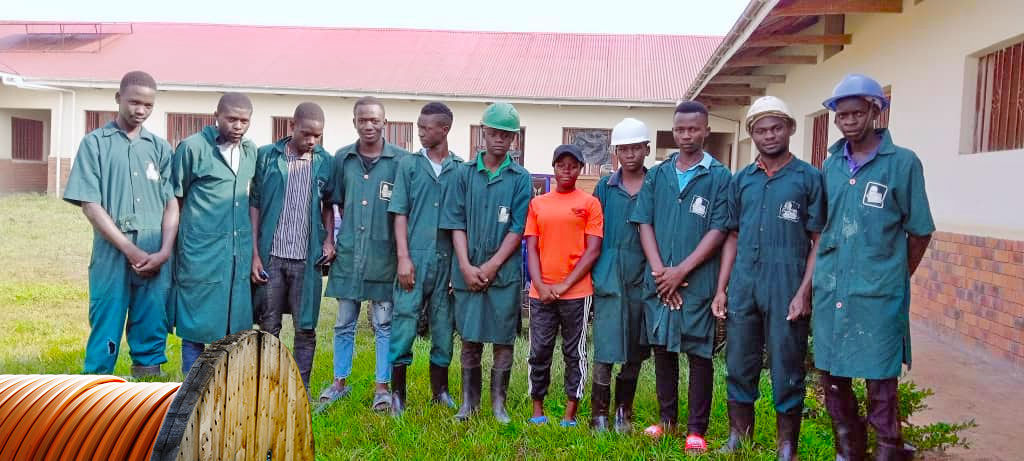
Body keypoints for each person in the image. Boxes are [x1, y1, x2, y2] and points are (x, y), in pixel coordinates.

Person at [813, 74, 934, 461]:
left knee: (881, 379)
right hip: (832, 288)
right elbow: (821, 227)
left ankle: (889, 448)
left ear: (874, 111)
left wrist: (896, 274)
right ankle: (849, 450)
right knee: (833, 376)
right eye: (841, 114)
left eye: (856, 112)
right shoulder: (830, 166)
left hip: (878, 293)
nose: (848, 120)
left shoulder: (902, 163)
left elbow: (919, 231)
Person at [712, 96, 826, 459]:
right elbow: (731, 235)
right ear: (752, 135)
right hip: (745, 281)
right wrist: (722, 288)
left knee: (787, 362)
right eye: (761, 130)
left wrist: (804, 291)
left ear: (791, 129)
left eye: (776, 127)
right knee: (739, 360)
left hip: (787, 282)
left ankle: (786, 444)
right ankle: (738, 436)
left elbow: (819, 240)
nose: (769, 136)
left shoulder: (809, 178)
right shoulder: (742, 180)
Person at [630, 101, 730, 453]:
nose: (686, 135)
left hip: (696, 283)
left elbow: (719, 229)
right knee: (663, 350)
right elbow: (644, 222)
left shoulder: (719, 176)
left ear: (706, 131)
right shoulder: (658, 175)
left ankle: (696, 428)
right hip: (659, 281)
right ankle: (667, 420)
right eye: (680, 129)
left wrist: (681, 271)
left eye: (693, 129)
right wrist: (661, 273)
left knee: (699, 353)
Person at [63, 70, 177, 377]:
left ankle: (149, 398)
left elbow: (171, 203)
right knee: (107, 320)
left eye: (148, 105)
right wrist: (129, 249)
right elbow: (90, 204)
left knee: (152, 321)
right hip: (113, 250)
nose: (140, 110)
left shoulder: (160, 148)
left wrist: (165, 251)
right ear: (118, 99)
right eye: (134, 102)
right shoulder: (95, 144)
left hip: (154, 250)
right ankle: (97, 399)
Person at [440, 102, 531, 423]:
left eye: (506, 135)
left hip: (502, 275)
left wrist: (492, 266)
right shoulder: (463, 174)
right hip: (467, 271)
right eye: (493, 133)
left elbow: (518, 228)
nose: (499, 140)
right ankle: (469, 404)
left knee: (504, 340)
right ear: (483, 133)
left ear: (514, 140)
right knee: (470, 338)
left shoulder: (520, 178)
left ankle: (498, 405)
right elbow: (455, 223)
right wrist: (465, 265)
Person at [319, 96, 410, 411]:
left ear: (385, 122)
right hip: (349, 255)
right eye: (362, 120)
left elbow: (404, 211)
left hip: (383, 257)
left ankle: (382, 388)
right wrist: (330, 242)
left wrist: (401, 255)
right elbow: (333, 203)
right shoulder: (342, 158)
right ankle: (338, 382)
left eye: (374, 120)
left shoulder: (400, 161)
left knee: (384, 324)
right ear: (354, 121)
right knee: (344, 321)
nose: (368, 125)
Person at [250, 102, 335, 391]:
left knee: (306, 326)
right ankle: (267, 384)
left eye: (317, 136)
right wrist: (255, 254)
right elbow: (255, 206)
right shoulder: (267, 157)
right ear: (291, 127)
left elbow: (328, 205)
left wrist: (328, 239)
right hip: (272, 256)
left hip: (306, 258)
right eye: (306, 133)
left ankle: (301, 387)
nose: (311, 140)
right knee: (269, 325)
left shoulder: (325, 161)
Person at [171, 92, 257, 375]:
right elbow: (176, 199)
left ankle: (225, 386)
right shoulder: (192, 148)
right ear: (216, 116)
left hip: (237, 254)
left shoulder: (249, 152)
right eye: (231, 119)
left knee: (235, 325)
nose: (238, 126)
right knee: (196, 323)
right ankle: (190, 389)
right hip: (200, 252)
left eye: (244, 120)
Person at [388, 102, 463, 415]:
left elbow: (463, 222)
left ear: (443, 130)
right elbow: (399, 213)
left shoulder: (460, 169)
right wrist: (403, 258)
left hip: (446, 259)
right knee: (404, 320)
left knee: (444, 325)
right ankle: (397, 395)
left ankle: (440, 391)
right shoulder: (408, 165)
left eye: (425, 127)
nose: (419, 132)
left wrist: (457, 270)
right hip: (414, 257)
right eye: (418, 126)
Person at [524, 144, 603, 427]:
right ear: (554, 167)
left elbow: (593, 250)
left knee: (575, 352)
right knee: (539, 350)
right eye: (561, 165)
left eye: (572, 165)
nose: (566, 170)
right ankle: (537, 409)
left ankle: (570, 412)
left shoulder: (590, 204)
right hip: (541, 292)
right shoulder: (538, 203)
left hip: (577, 293)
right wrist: (540, 284)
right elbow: (531, 247)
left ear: (580, 169)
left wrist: (566, 284)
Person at [590, 117, 651, 433]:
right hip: (610, 273)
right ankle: (598, 413)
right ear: (615, 152)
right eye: (623, 149)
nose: (629, 155)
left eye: (635, 148)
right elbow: (594, 233)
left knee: (635, 345)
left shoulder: (656, 185)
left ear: (646, 149)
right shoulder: (605, 187)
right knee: (606, 343)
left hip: (643, 273)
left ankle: (623, 411)